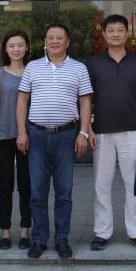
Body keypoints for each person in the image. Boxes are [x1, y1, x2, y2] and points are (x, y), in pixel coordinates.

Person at [16, 23, 94, 259]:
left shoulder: (79, 68)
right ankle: (39, 239)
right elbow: (22, 101)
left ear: (67, 42)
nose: (55, 41)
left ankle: (62, 239)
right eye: (50, 37)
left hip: (66, 136)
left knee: (64, 192)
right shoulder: (33, 67)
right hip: (37, 136)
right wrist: (22, 132)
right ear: (45, 41)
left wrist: (83, 133)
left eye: (59, 38)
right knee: (37, 192)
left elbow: (85, 102)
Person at [85, 14, 136, 252]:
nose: (115, 34)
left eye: (120, 30)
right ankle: (102, 232)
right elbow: (86, 99)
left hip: (133, 131)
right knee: (101, 184)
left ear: (127, 33)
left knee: (134, 183)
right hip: (101, 132)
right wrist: (87, 129)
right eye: (111, 30)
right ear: (104, 34)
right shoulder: (93, 63)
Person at [0, 29, 32, 250]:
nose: (16, 49)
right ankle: (5, 231)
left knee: (26, 186)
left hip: (28, 137)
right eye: (11, 45)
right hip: (2, 135)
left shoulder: (33, 71)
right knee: (5, 186)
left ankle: (26, 231)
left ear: (27, 48)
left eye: (20, 45)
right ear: (5, 49)